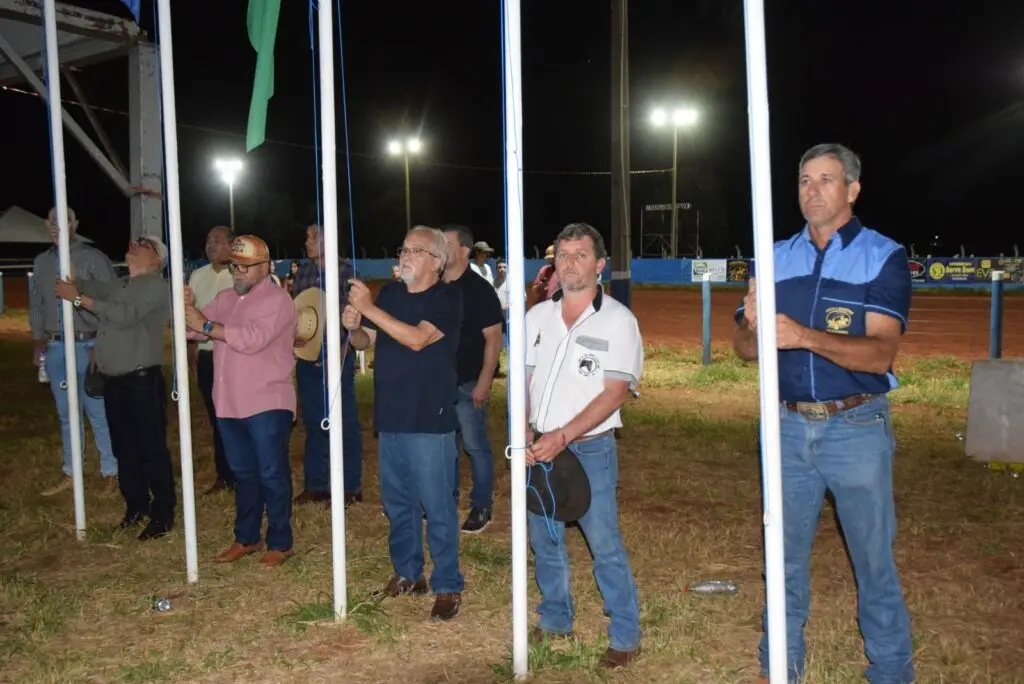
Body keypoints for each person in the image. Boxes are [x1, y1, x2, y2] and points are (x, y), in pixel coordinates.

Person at [733, 144, 915, 684]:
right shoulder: (772, 257)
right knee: (782, 557)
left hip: (855, 426)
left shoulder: (882, 256)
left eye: (826, 180)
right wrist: (751, 326)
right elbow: (744, 350)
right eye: (804, 180)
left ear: (852, 190)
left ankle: (890, 668)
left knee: (872, 560)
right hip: (786, 425)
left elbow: (881, 354)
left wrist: (803, 337)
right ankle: (780, 665)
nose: (812, 190)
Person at [524, 222, 643, 669]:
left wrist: (563, 436)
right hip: (539, 447)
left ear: (599, 264)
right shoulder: (536, 318)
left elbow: (614, 393)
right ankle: (555, 618)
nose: (569, 262)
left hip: (589, 449)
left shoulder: (618, 320)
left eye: (579, 255)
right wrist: (525, 433)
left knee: (603, 543)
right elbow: (523, 381)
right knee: (545, 538)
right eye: (562, 254)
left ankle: (626, 634)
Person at [343, 225, 464, 621]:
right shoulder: (392, 294)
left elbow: (416, 339)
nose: (404, 256)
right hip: (391, 415)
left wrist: (370, 309)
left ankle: (447, 583)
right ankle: (408, 573)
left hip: (429, 418)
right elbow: (371, 342)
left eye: (415, 250)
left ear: (436, 261)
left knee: (437, 505)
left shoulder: (447, 297)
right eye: (404, 248)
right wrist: (356, 327)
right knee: (398, 504)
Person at [184, 235, 298, 569]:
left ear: (266, 266)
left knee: (271, 472)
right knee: (244, 473)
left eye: (247, 266)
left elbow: (252, 340)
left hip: (267, 401)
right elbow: (194, 331)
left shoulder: (278, 301)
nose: (239, 272)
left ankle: (281, 541)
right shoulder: (225, 298)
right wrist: (189, 309)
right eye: (235, 265)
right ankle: (247, 537)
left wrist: (205, 323)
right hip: (230, 402)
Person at [56, 235, 172, 540]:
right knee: (124, 448)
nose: (134, 243)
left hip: (141, 381)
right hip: (117, 382)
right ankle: (136, 506)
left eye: (144, 243)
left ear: (156, 259)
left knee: (151, 448)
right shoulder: (122, 284)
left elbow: (123, 316)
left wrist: (78, 299)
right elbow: (93, 288)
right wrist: (73, 279)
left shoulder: (155, 286)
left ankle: (163, 513)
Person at [30, 207, 118, 496]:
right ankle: (72, 471)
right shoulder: (42, 262)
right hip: (56, 347)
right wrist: (39, 342)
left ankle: (111, 471)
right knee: (67, 414)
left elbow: (110, 302)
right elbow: (38, 305)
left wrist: (103, 344)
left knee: (98, 411)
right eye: (53, 221)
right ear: (46, 224)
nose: (58, 226)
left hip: (89, 344)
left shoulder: (93, 258)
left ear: (75, 223)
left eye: (65, 220)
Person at [291, 224, 363, 508]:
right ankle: (317, 484)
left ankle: (350, 486)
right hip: (308, 359)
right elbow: (297, 313)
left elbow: (353, 315)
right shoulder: (304, 273)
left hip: (337, 358)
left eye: (313, 236)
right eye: (307, 236)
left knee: (344, 422)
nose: (307, 241)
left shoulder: (347, 272)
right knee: (313, 422)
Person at [441, 225, 504, 533]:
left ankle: (482, 506)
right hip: (439, 384)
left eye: (446, 242)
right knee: (445, 447)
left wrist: (484, 381)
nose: (439, 247)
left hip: (468, 382)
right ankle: (446, 501)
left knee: (475, 446)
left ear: (464, 249)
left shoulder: (479, 290)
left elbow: (494, 338)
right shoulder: (435, 286)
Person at [187, 226, 235, 495]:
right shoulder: (197, 276)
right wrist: (191, 354)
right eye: (208, 240)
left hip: (233, 356)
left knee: (235, 416)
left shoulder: (240, 275)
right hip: (207, 357)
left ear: (232, 245)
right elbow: (188, 316)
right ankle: (224, 474)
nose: (211, 245)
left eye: (217, 240)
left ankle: (241, 472)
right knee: (215, 416)